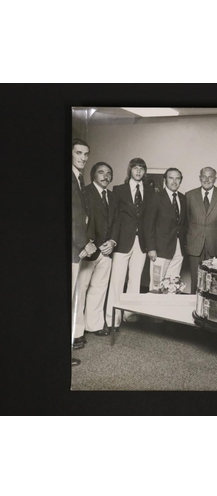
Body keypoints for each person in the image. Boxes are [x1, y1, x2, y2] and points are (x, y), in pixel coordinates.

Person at [105, 158, 152, 330]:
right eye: (135, 168)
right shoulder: (118, 190)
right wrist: (112, 239)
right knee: (117, 281)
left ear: (144, 172)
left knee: (135, 281)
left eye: (141, 168)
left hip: (141, 243)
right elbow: (114, 218)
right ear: (130, 170)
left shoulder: (149, 191)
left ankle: (130, 314)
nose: (138, 171)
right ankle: (112, 319)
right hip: (122, 241)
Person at [74, 162, 117, 340]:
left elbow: (117, 221)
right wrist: (89, 243)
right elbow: (81, 220)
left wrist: (113, 241)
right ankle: (76, 332)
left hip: (107, 250)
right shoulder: (84, 192)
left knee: (99, 289)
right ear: (93, 175)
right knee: (80, 289)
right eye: (101, 172)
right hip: (89, 248)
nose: (105, 176)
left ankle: (95, 324)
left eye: (108, 173)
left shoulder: (113, 197)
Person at [185, 167, 217, 293]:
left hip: (215, 245)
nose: (207, 179)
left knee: (214, 281)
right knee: (196, 280)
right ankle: (193, 308)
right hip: (195, 244)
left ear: (215, 179)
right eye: (204, 176)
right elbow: (187, 220)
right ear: (199, 178)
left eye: (210, 177)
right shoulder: (189, 195)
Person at [71, 138, 96, 365]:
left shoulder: (79, 179)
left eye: (86, 154)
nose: (83, 158)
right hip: (72, 249)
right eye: (79, 153)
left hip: (77, 249)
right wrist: (82, 244)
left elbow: (82, 217)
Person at [144, 168, 187, 290]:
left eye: (177, 178)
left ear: (181, 180)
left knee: (173, 284)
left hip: (178, 249)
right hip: (160, 250)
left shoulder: (183, 199)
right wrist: (151, 248)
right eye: (171, 178)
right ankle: (152, 309)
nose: (174, 181)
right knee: (156, 285)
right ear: (165, 180)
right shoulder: (156, 197)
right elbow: (149, 225)